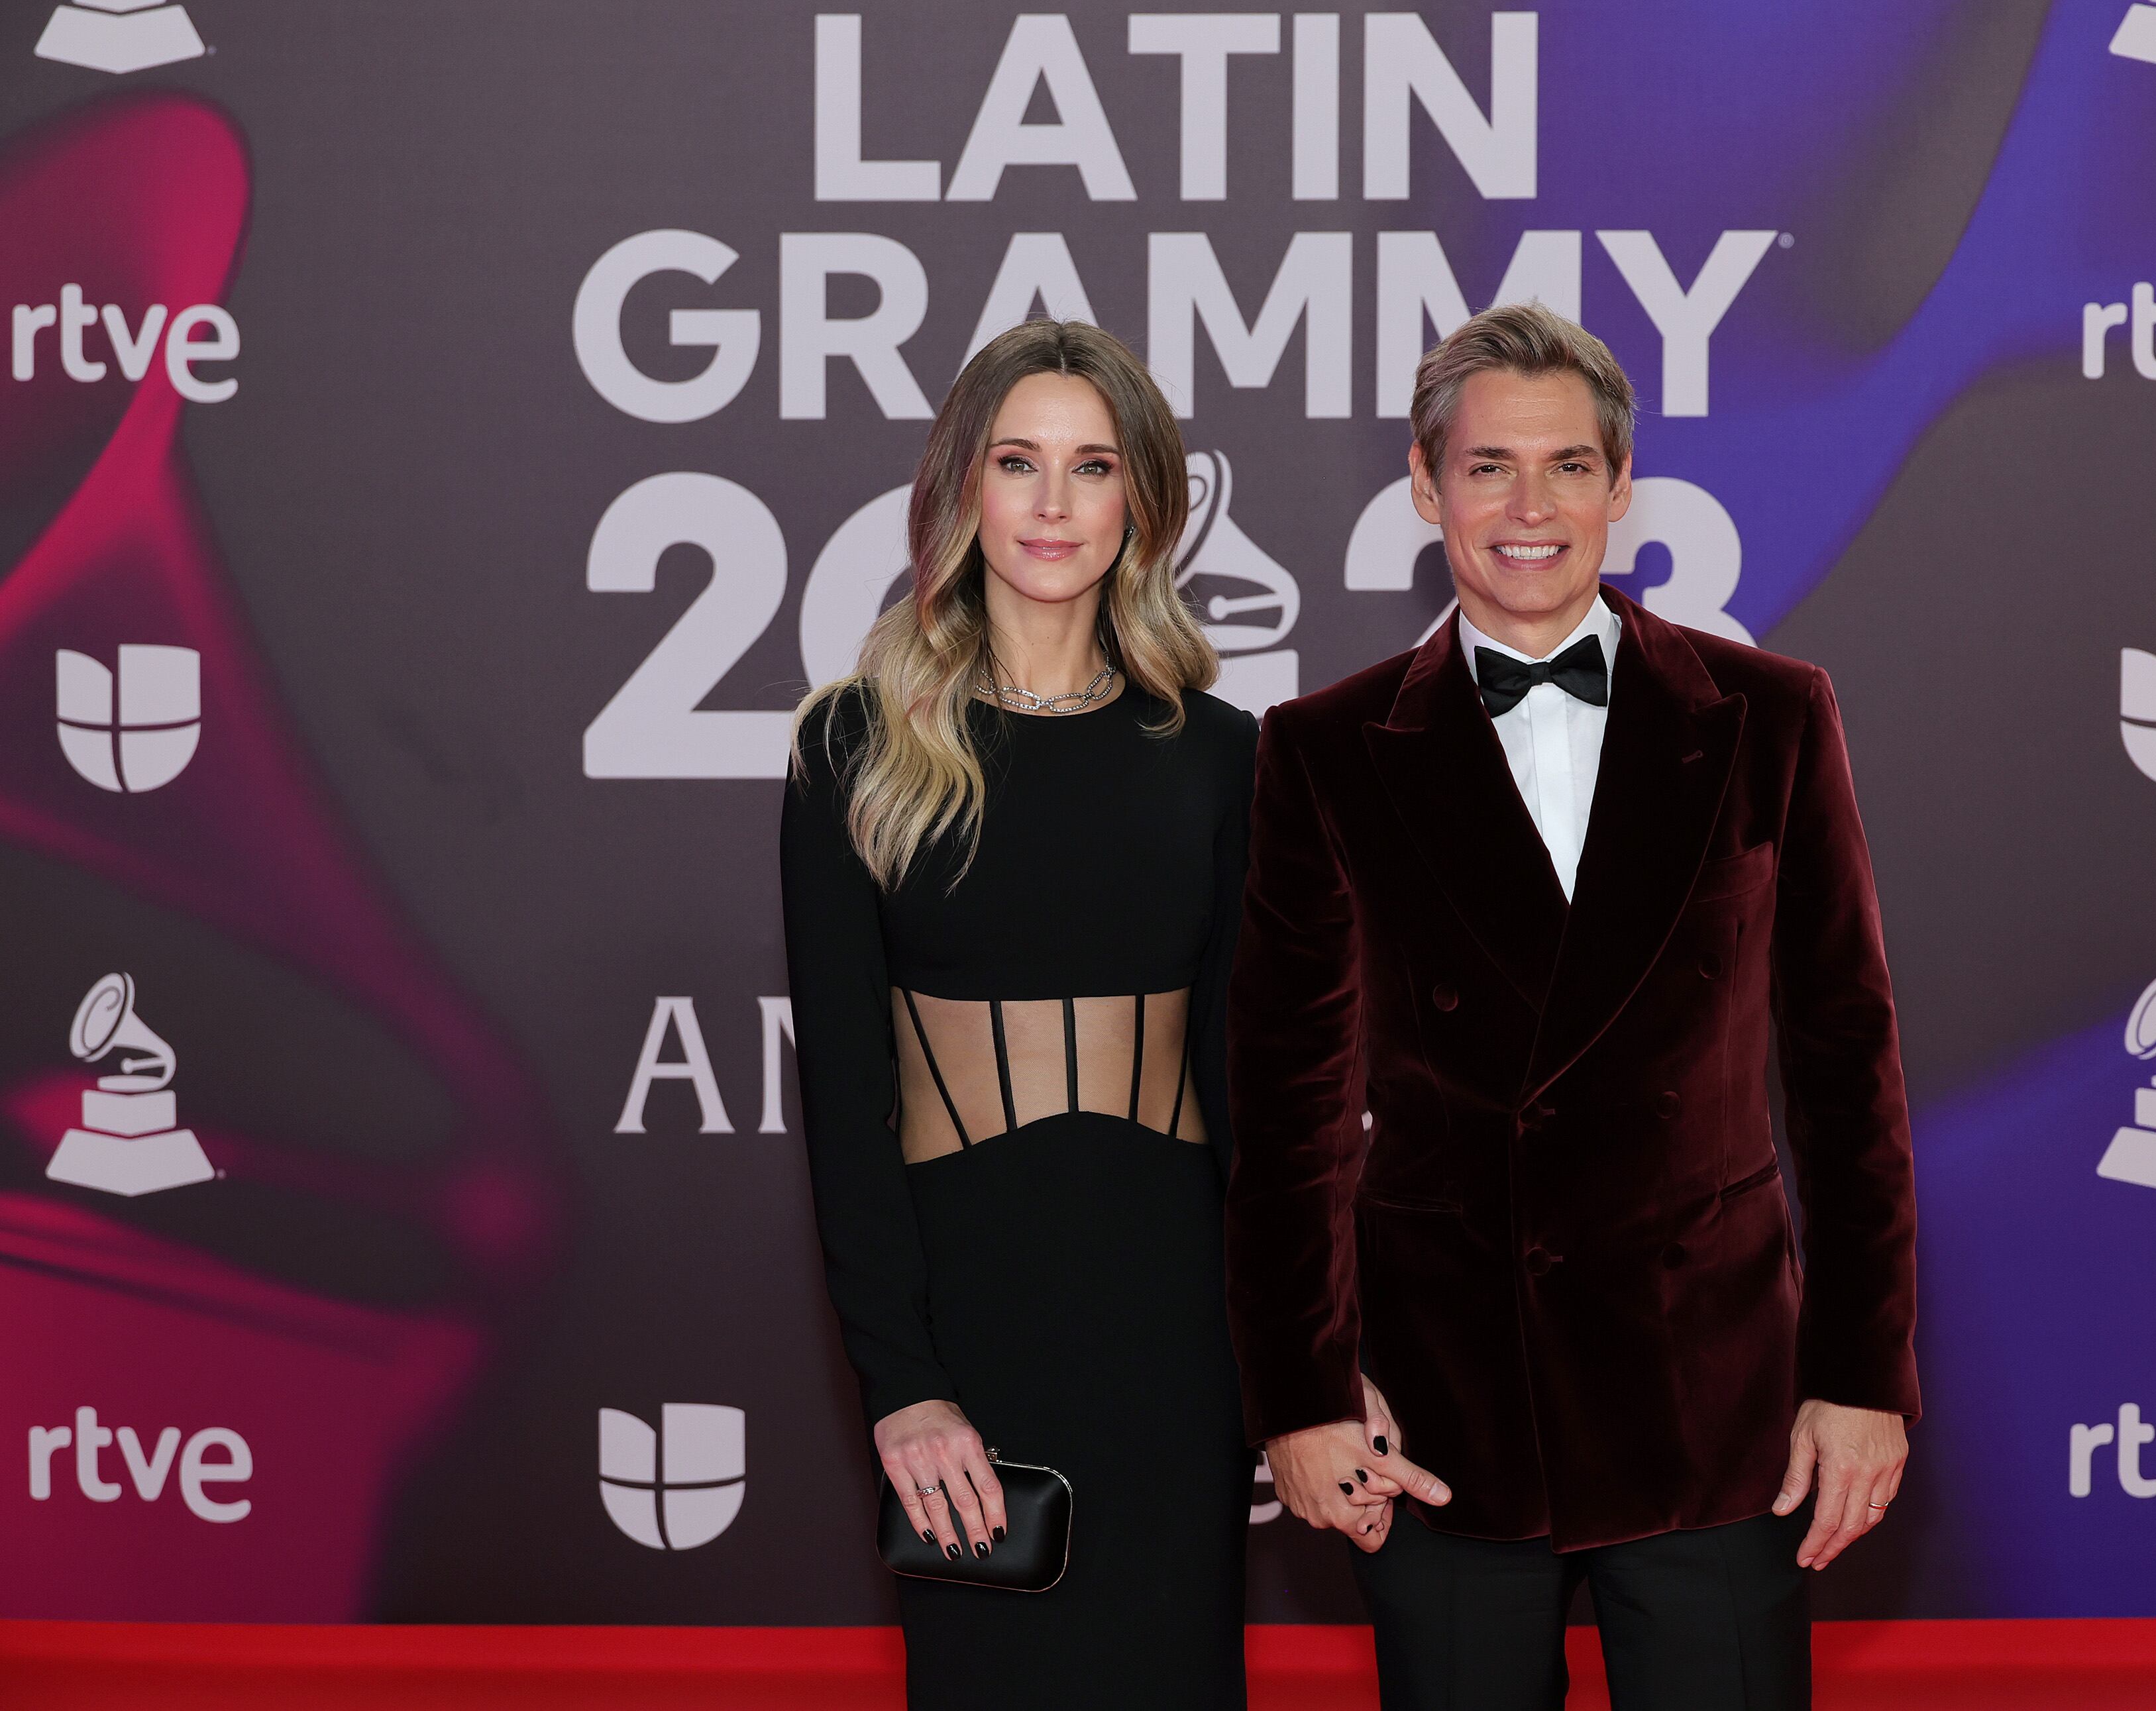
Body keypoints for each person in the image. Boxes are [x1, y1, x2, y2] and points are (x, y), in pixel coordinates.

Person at [1224, 302, 1920, 1711]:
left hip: (1715, 1403)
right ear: (1427, 487)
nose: (1528, 507)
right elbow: (1290, 1107)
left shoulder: (1769, 714)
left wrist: (1862, 1371)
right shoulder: (1325, 750)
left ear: (1618, 485)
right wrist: (1302, 1390)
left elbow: (1848, 1071)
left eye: (1566, 467)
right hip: (1438, 1414)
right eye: (1488, 468)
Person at [781, 317, 1259, 1708]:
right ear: (960, 489)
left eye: (1094, 464)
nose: (1054, 504)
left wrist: (1304, 1353)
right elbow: (845, 1115)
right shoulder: (851, 749)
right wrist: (902, 1379)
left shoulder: (1223, 753)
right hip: (971, 1329)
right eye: (1018, 461)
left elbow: (1249, 1090)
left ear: (1144, 501)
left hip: (1177, 1331)